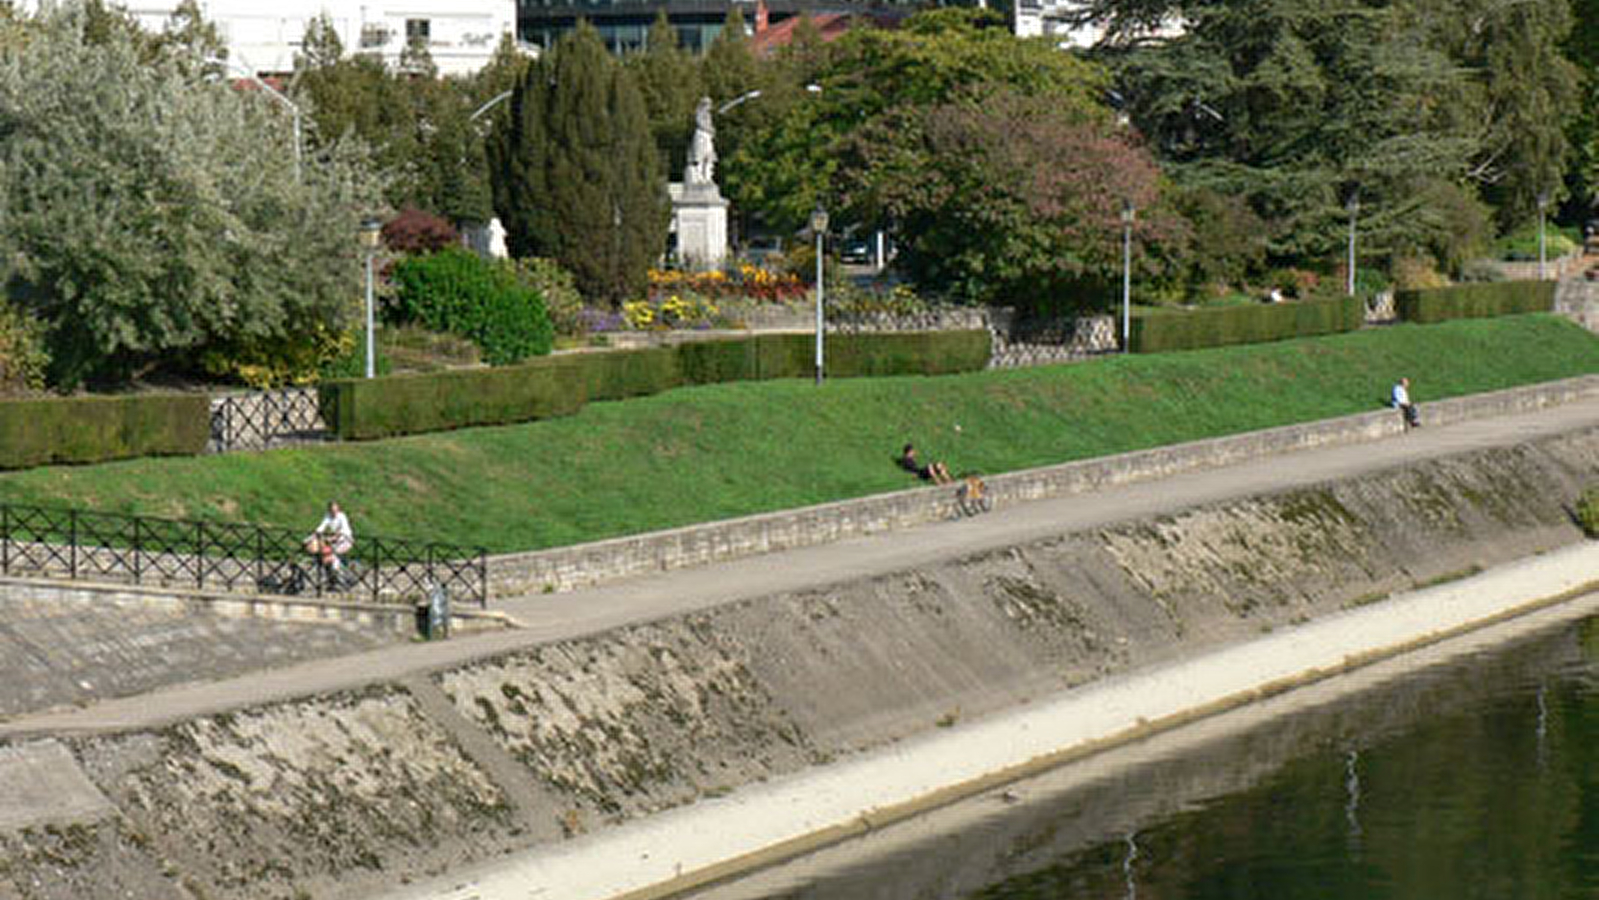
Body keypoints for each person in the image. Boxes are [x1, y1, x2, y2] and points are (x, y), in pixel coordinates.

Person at [305, 500, 354, 579]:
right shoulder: (328, 516)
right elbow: (321, 527)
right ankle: (331, 573)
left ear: (338, 509)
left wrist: (333, 538)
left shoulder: (342, 516)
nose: (333, 512)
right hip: (336, 540)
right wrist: (312, 536)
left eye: (335, 510)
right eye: (332, 510)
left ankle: (337, 571)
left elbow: (343, 530)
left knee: (335, 553)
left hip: (345, 539)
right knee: (326, 552)